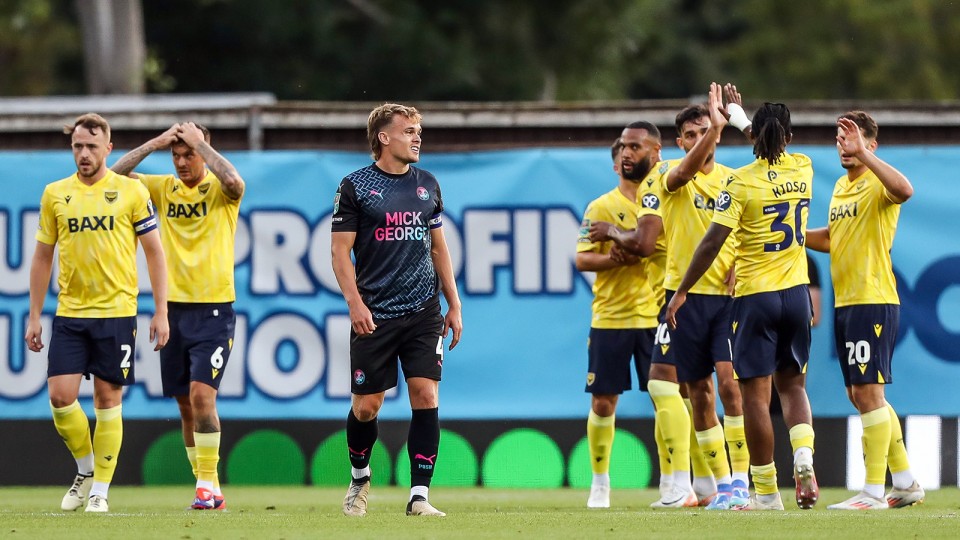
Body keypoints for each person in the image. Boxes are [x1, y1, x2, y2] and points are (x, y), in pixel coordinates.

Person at [591, 83, 748, 509]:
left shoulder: (735, 180)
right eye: (692, 135)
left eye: (705, 131)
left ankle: (738, 483)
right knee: (687, 389)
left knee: (729, 389)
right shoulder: (665, 174)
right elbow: (681, 179)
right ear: (679, 144)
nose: (701, 139)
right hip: (679, 297)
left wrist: (743, 265)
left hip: (726, 299)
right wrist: (717, 129)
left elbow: (749, 232)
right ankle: (701, 486)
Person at [665, 102, 819, 511]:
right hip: (797, 292)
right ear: (789, 137)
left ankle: (766, 492)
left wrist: (681, 290)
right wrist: (740, 115)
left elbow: (712, 242)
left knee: (755, 396)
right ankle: (803, 454)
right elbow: (769, 141)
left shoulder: (739, 183)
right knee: (794, 386)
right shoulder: (803, 167)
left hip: (755, 297)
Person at [25, 113, 169, 513]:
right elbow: (41, 257)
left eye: (91, 146)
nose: (84, 154)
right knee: (60, 396)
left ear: (108, 148)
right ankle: (86, 468)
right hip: (70, 313)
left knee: (108, 400)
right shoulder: (55, 193)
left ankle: (100, 490)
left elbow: (155, 253)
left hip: (118, 312)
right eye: (77, 146)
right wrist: (35, 316)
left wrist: (160, 311)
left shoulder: (130, 192)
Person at [331, 103, 463, 517]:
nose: (417, 137)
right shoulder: (355, 186)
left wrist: (453, 304)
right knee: (367, 405)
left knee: (425, 394)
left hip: (424, 312)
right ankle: (359, 478)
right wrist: (355, 304)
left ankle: (419, 496)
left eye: (418, 130)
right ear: (384, 138)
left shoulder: (427, 184)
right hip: (375, 314)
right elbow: (339, 253)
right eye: (408, 131)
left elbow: (439, 248)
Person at [110, 122, 245, 510]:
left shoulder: (220, 190)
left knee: (204, 396)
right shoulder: (160, 188)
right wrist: (157, 142)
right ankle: (209, 486)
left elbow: (235, 182)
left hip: (215, 310)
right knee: (185, 404)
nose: (183, 162)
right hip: (173, 311)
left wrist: (201, 145)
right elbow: (114, 177)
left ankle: (206, 486)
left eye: (190, 154)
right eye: (178, 155)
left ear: (204, 150)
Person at [806, 111, 924, 510]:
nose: (844, 145)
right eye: (839, 139)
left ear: (871, 145)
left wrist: (866, 155)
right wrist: (794, 235)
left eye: (852, 139)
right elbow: (833, 238)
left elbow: (905, 190)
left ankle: (873, 491)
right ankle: (905, 480)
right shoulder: (841, 186)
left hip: (873, 297)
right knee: (859, 393)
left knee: (869, 392)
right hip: (847, 300)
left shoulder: (879, 180)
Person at [575, 139, 662, 508]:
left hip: (656, 314)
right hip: (610, 317)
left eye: (634, 151)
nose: (627, 157)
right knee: (604, 402)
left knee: (668, 398)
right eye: (621, 154)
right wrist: (615, 261)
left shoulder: (660, 202)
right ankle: (600, 482)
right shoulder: (600, 206)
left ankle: (676, 481)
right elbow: (582, 260)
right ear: (615, 166)